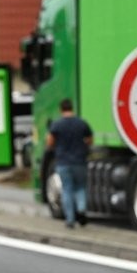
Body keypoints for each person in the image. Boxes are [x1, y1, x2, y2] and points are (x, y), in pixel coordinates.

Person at [46, 98, 93, 228]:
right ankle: (81, 209)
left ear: (61, 109)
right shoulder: (81, 123)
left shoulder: (57, 125)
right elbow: (90, 140)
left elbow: (50, 142)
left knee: (67, 189)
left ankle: (70, 219)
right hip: (80, 161)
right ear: (72, 108)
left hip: (63, 163)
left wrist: (56, 147)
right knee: (80, 187)